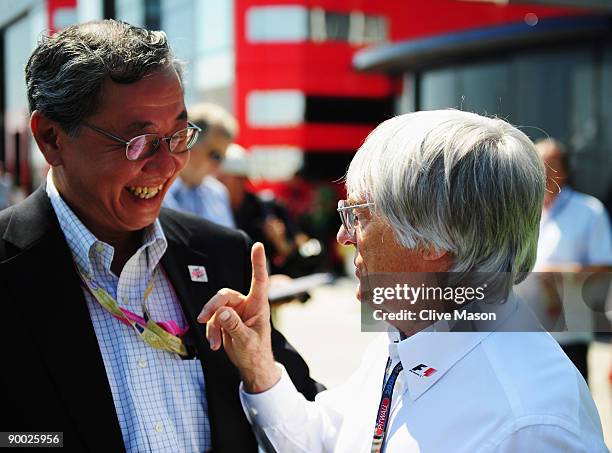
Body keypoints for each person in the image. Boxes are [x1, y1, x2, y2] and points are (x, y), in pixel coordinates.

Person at [198, 110, 608, 452]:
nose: (344, 236)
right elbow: (328, 440)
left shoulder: (529, 423)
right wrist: (258, 366)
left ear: (435, 237)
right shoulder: (410, 329)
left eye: (357, 214)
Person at [0, 20, 321, 453]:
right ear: (51, 139)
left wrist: (262, 373)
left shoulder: (220, 254)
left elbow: (311, 415)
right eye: (139, 142)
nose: (167, 165)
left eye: (177, 137)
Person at [533, 138, 612, 382]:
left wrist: (559, 272)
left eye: (551, 165)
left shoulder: (589, 210)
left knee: (573, 404)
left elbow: (604, 266)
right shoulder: (526, 210)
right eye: (538, 165)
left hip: (571, 330)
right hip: (530, 329)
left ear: (565, 170)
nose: (544, 172)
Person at [218, 144, 320, 277]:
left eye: (223, 178)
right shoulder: (211, 207)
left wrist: (279, 241)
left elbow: (299, 243)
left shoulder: (267, 207)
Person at [164, 102, 237, 228]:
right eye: (215, 155)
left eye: (222, 158)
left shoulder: (218, 193)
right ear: (187, 141)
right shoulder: (154, 190)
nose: (218, 166)